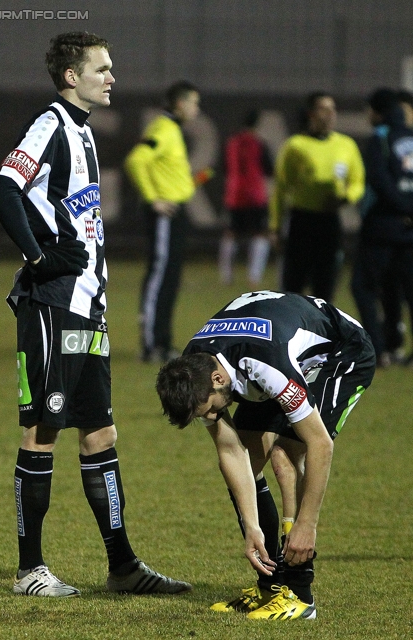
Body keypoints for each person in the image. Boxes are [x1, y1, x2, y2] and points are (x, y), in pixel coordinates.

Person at [0, 31, 191, 598]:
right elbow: (4, 189)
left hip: (87, 309)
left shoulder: (83, 133)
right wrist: (38, 256)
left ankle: (122, 566)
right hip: (52, 307)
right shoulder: (51, 123)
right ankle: (31, 570)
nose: (112, 77)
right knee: (42, 431)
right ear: (71, 76)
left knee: (100, 432)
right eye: (102, 68)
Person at [156, 290, 375, 620]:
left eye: (212, 408)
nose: (213, 414)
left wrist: (306, 526)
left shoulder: (264, 363)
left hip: (339, 353)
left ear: (218, 380)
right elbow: (232, 452)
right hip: (270, 354)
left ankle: (300, 596)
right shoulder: (193, 368)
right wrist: (252, 528)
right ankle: (269, 586)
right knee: (250, 452)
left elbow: (321, 445)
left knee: (288, 452)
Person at [124, 81, 200, 363]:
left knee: (170, 279)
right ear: (180, 104)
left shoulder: (172, 130)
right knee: (160, 277)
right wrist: (153, 197)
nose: (196, 109)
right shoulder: (163, 129)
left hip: (175, 214)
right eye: (193, 103)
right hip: (164, 215)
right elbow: (136, 160)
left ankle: (163, 342)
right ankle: (150, 345)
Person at [270, 92, 365, 302]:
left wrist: (345, 198)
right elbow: (281, 189)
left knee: (325, 289)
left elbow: (358, 182)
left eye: (333, 109)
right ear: (311, 114)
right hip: (301, 222)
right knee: (292, 289)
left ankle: (322, 333)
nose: (330, 114)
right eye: (324, 109)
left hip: (329, 222)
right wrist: (275, 226)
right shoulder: (295, 146)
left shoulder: (346, 145)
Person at [351, 88, 413, 367]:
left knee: (363, 286)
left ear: (378, 112)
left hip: (382, 228)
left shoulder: (381, 138)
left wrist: (401, 207)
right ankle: (395, 345)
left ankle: (378, 350)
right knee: (403, 291)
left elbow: (378, 179)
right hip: (409, 231)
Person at [218, 109, 274, 287]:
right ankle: (253, 277)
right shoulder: (259, 144)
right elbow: (269, 169)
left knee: (231, 234)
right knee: (260, 234)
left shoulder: (232, 143)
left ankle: (226, 276)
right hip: (255, 195)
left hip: (234, 195)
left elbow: (224, 167)